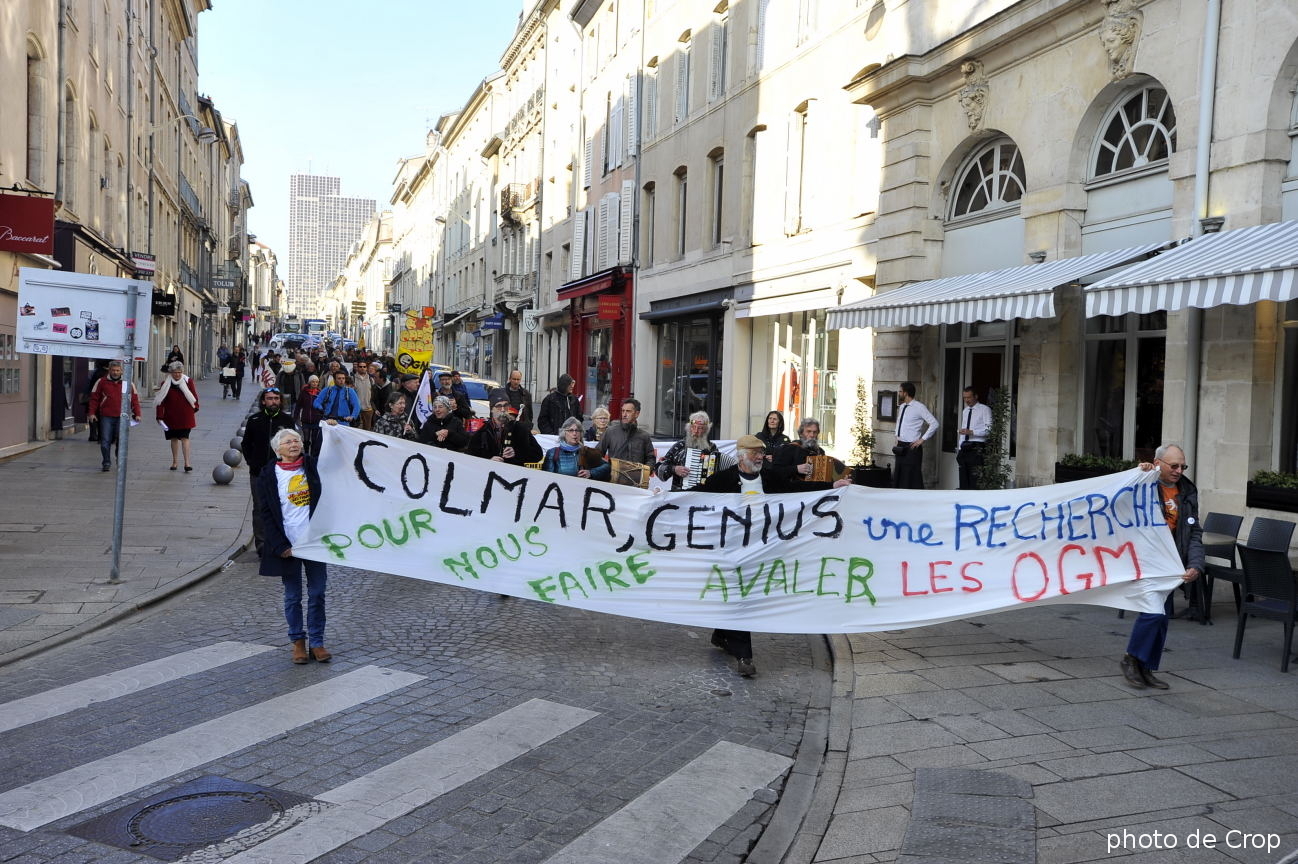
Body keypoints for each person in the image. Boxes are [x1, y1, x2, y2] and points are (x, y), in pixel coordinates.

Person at [699, 435, 851, 676]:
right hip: (732, 549)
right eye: (754, 454)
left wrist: (831, 487)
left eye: (761, 453)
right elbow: (692, 497)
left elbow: (796, 490)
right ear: (741, 456)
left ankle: (722, 634)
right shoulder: (723, 479)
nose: (760, 457)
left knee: (743, 595)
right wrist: (659, 496)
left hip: (762, 548)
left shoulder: (768, 477)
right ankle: (744, 655)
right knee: (742, 596)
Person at [1120, 444, 1204, 690]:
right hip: (1146, 560)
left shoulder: (1187, 491)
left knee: (1162, 616)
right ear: (1158, 463)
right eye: (1174, 465)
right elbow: (1120, 499)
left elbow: (1193, 531)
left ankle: (1145, 667)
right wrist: (1138, 472)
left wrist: (1196, 563)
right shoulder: (1145, 484)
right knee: (1153, 612)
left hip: (1170, 563)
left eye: (1182, 466)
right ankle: (1131, 659)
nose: (1179, 471)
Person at [256, 427, 332, 664]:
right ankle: (298, 642)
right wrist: (280, 545)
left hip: (314, 542)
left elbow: (333, 454)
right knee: (292, 596)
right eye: (288, 442)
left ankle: (317, 642)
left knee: (317, 593)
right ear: (278, 449)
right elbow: (265, 514)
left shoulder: (312, 466)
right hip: (288, 545)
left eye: (297, 440)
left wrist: (331, 430)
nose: (294, 444)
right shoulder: (268, 475)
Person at [242, 387, 297, 556]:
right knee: (260, 508)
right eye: (269, 398)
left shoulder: (287, 420)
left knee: (281, 508)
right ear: (263, 401)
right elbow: (246, 444)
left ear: (280, 401)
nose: (273, 401)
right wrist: (253, 463)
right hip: (259, 473)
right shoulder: (255, 419)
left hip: (281, 473)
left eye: (276, 398)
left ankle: (280, 542)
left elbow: (295, 445)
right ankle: (262, 543)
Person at [86, 360, 141, 472]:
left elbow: (134, 400)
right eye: (113, 370)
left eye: (117, 370)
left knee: (121, 440)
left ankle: (119, 459)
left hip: (123, 416)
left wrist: (137, 414)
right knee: (105, 441)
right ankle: (106, 462)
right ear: (109, 370)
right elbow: (94, 398)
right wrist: (91, 413)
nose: (115, 372)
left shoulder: (128, 383)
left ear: (121, 371)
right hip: (106, 416)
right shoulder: (101, 382)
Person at [655, 411, 731, 490]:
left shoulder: (712, 448)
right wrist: (674, 469)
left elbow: (719, 473)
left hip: (704, 496)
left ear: (706, 430)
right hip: (680, 495)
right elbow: (658, 468)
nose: (695, 431)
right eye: (693, 427)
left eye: (700, 428)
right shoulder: (679, 446)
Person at [467, 393, 543, 465]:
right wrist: (488, 460)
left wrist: (516, 453)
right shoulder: (483, 431)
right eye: (499, 406)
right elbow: (470, 458)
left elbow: (538, 454)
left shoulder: (519, 428)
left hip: (513, 475)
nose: (503, 409)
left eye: (506, 405)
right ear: (492, 409)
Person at [893, 381, 938, 489]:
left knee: (911, 478)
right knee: (899, 476)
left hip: (912, 448)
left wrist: (922, 440)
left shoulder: (919, 407)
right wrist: (897, 437)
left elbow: (934, 423)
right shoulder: (902, 406)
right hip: (900, 447)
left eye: (900, 391)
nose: (898, 393)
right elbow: (901, 424)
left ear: (906, 393)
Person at [772, 418, 845, 485]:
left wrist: (839, 479)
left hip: (815, 492)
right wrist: (796, 469)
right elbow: (775, 472)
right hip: (795, 491)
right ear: (801, 433)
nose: (812, 435)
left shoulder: (820, 452)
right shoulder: (790, 448)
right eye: (808, 431)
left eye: (815, 432)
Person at [155, 362, 199, 471]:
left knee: (185, 438)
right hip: (170, 416)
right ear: (171, 373)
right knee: (173, 438)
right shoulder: (165, 383)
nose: (177, 375)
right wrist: (159, 416)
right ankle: (174, 462)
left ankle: (187, 463)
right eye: (175, 373)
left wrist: (195, 408)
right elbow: (160, 401)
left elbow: (194, 396)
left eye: (179, 372)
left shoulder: (188, 381)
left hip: (185, 415)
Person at [543, 416, 610, 480]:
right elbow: (547, 478)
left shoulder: (585, 451)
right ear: (564, 433)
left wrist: (591, 473)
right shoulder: (553, 452)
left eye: (577, 430)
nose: (574, 433)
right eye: (571, 430)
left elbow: (607, 467)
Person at [955, 386, 993, 491]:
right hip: (964, 448)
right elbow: (963, 432)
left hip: (977, 448)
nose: (967, 400)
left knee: (975, 480)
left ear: (976, 396)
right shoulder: (965, 410)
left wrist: (972, 432)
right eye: (964, 398)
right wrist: (959, 448)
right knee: (963, 479)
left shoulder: (985, 409)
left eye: (969, 397)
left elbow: (989, 430)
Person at [598, 398, 655, 466]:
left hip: (637, 476)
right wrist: (607, 468)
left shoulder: (644, 436)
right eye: (623, 411)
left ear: (637, 414)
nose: (624, 415)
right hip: (614, 476)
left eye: (628, 411)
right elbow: (597, 455)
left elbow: (651, 459)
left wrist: (645, 471)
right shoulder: (610, 432)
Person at [294, 375, 325, 457]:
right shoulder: (304, 392)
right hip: (306, 419)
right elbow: (298, 405)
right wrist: (295, 417)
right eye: (313, 381)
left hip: (316, 419)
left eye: (316, 382)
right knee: (306, 439)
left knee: (314, 439)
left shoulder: (320, 393)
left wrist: (323, 414)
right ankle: (306, 453)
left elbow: (324, 405)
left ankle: (313, 455)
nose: (315, 383)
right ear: (309, 382)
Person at [352, 360, 376, 430]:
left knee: (367, 430)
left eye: (364, 367)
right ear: (357, 368)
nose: (362, 368)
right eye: (360, 366)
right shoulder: (352, 378)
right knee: (357, 430)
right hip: (357, 409)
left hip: (368, 408)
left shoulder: (371, 379)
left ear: (366, 368)